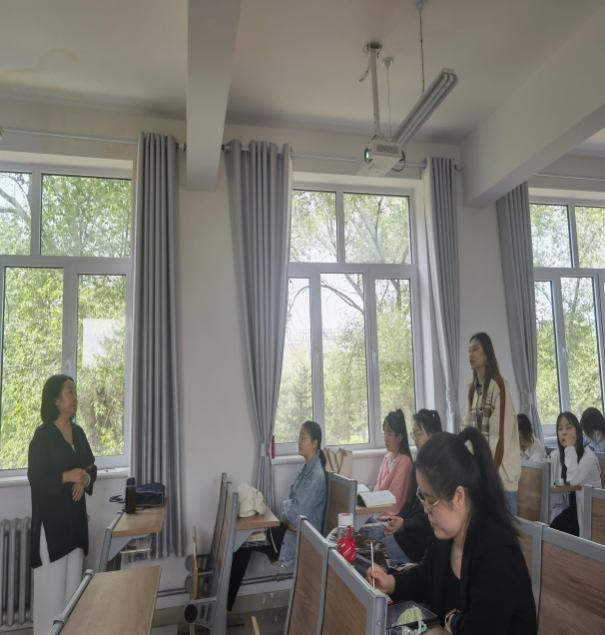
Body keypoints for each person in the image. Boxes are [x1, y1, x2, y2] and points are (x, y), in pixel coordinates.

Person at [368, 428, 537, 635]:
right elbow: (426, 577)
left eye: (431, 500)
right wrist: (391, 582)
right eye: (422, 496)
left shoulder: (497, 552)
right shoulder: (446, 534)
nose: (426, 509)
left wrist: (454, 623)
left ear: (459, 497)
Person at [227, 420, 327, 610]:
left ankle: (223, 607)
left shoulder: (316, 476)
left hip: (299, 539)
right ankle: (223, 606)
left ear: (315, 443)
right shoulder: (304, 469)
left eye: (304, 438)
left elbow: (294, 514)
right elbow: (288, 504)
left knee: (243, 544)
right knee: (242, 543)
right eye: (299, 437)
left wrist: (289, 514)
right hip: (289, 530)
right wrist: (289, 514)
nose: (299, 441)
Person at [28, 375, 97, 635]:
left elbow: (91, 466)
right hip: (52, 528)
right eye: (70, 392)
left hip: (76, 525)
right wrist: (68, 476)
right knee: (51, 597)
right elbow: (36, 480)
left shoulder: (78, 433)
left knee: (72, 597)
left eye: (75, 392)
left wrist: (85, 478)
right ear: (56, 400)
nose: (75, 397)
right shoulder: (43, 435)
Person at [463, 332, 520, 514]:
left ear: (486, 355)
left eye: (475, 349)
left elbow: (500, 435)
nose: (470, 354)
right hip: (483, 474)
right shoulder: (473, 390)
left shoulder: (498, 385)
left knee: (505, 529)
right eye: (469, 350)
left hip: (501, 476)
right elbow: (468, 431)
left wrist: (489, 473)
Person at [550, 411, 601, 537]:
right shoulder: (561, 455)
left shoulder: (588, 458)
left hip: (591, 515)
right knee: (553, 529)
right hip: (575, 510)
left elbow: (573, 481)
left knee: (560, 534)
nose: (564, 432)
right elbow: (558, 485)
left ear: (578, 432)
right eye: (560, 429)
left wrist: (569, 447)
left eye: (568, 427)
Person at [374, 409, 413, 516]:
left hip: (390, 516)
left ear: (399, 437)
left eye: (389, 434)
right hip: (377, 510)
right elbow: (377, 487)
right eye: (384, 433)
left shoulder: (404, 462)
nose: (385, 438)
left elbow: (395, 500)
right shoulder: (387, 457)